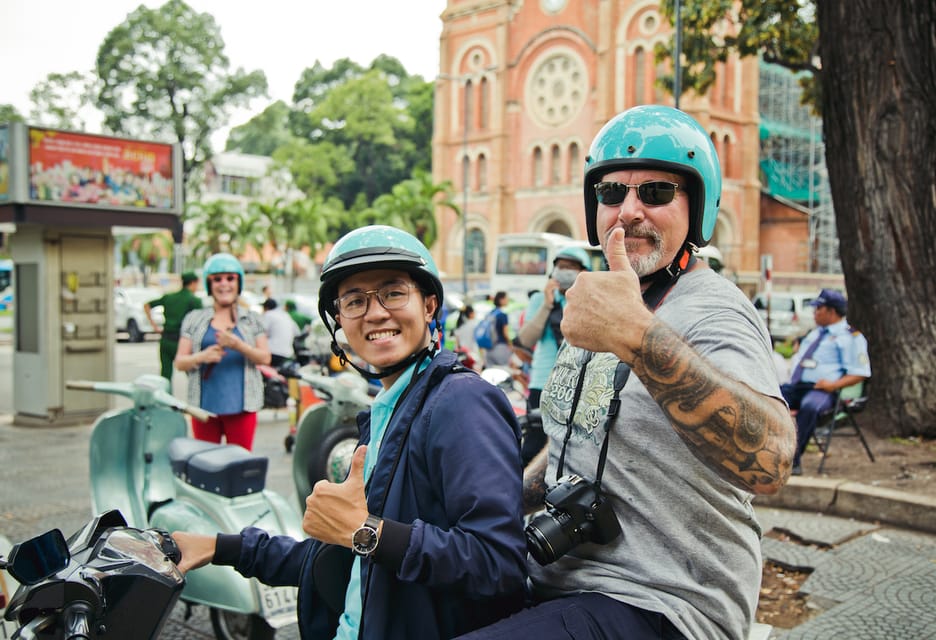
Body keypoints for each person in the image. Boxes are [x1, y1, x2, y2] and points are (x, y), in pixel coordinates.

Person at [459, 105, 795, 640]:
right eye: (612, 193)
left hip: (666, 600)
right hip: (556, 576)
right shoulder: (603, 298)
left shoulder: (713, 309)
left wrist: (638, 337)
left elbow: (771, 463)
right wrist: (485, 501)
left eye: (656, 193)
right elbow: (582, 437)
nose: (629, 210)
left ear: (698, 205)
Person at [172, 226, 527, 639]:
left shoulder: (461, 402)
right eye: (355, 301)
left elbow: (498, 563)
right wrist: (219, 547)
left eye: (393, 293)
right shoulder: (386, 410)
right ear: (340, 320)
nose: (375, 313)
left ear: (430, 305)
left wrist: (367, 531)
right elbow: (340, 554)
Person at [173, 253, 271, 451]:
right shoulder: (194, 319)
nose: (224, 284)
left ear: (238, 283)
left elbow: (265, 358)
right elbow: (180, 362)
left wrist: (239, 345)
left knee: (240, 465)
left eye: (230, 278)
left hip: (243, 408)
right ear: (209, 284)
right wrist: (202, 356)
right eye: (217, 279)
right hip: (203, 409)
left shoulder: (251, 319)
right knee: (207, 467)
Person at [780, 288, 870, 476]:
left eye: (818, 309)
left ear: (831, 311)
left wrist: (833, 385)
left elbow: (860, 373)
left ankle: (793, 461)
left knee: (810, 407)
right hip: (798, 386)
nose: (814, 313)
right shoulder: (815, 333)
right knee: (766, 398)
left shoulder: (850, 338)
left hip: (823, 390)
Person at [515, 246, 590, 464]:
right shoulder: (540, 299)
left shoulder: (588, 299)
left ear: (582, 272)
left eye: (571, 267)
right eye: (560, 266)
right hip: (542, 382)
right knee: (533, 446)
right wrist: (547, 306)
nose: (564, 271)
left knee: (572, 447)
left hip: (576, 385)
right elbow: (526, 340)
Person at [144, 271, 202, 380]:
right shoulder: (194, 300)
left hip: (165, 340)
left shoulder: (169, 297)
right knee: (193, 376)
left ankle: (163, 397)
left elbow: (147, 305)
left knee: (165, 376)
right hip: (183, 342)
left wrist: (154, 326)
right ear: (193, 283)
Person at [261, 297, 301, 367]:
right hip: (288, 354)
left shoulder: (268, 314)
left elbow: (260, 332)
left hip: (273, 353)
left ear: (266, 308)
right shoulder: (286, 315)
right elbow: (297, 332)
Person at [484, 290, 512, 367]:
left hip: (488, 348)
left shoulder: (490, 314)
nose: (508, 300)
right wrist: (510, 344)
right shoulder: (502, 315)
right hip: (500, 347)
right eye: (506, 298)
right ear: (501, 300)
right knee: (503, 372)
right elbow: (505, 333)